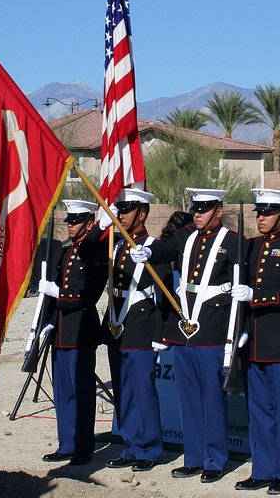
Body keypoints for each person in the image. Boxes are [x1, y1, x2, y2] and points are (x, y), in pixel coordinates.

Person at [130, 188, 238, 483]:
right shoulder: (187, 237)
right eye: (196, 209)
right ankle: (194, 457)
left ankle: (215, 459)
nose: (198, 214)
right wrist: (148, 252)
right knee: (188, 398)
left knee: (213, 399)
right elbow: (166, 250)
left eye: (204, 209)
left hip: (213, 326)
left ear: (218, 210)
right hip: (185, 326)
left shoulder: (231, 242)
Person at [232, 188, 280, 494]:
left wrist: (257, 296)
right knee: (258, 411)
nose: (261, 218)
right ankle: (262, 470)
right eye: (259, 213)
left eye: (267, 213)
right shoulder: (250, 247)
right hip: (255, 342)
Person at [102, 188, 173, 472]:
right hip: (118, 327)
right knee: (123, 391)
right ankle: (131, 444)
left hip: (141, 327)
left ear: (142, 214)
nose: (121, 214)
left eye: (126, 210)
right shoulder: (117, 245)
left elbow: (165, 294)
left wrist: (160, 334)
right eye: (119, 209)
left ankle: (150, 449)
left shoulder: (153, 247)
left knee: (143, 391)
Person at [38, 199, 107, 466]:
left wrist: (59, 294)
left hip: (82, 329)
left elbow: (88, 294)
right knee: (63, 392)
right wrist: (46, 321)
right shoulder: (63, 252)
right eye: (69, 221)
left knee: (83, 391)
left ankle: (83, 446)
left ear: (90, 224)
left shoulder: (97, 254)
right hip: (61, 330)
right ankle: (66, 443)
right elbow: (50, 293)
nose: (70, 226)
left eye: (76, 221)